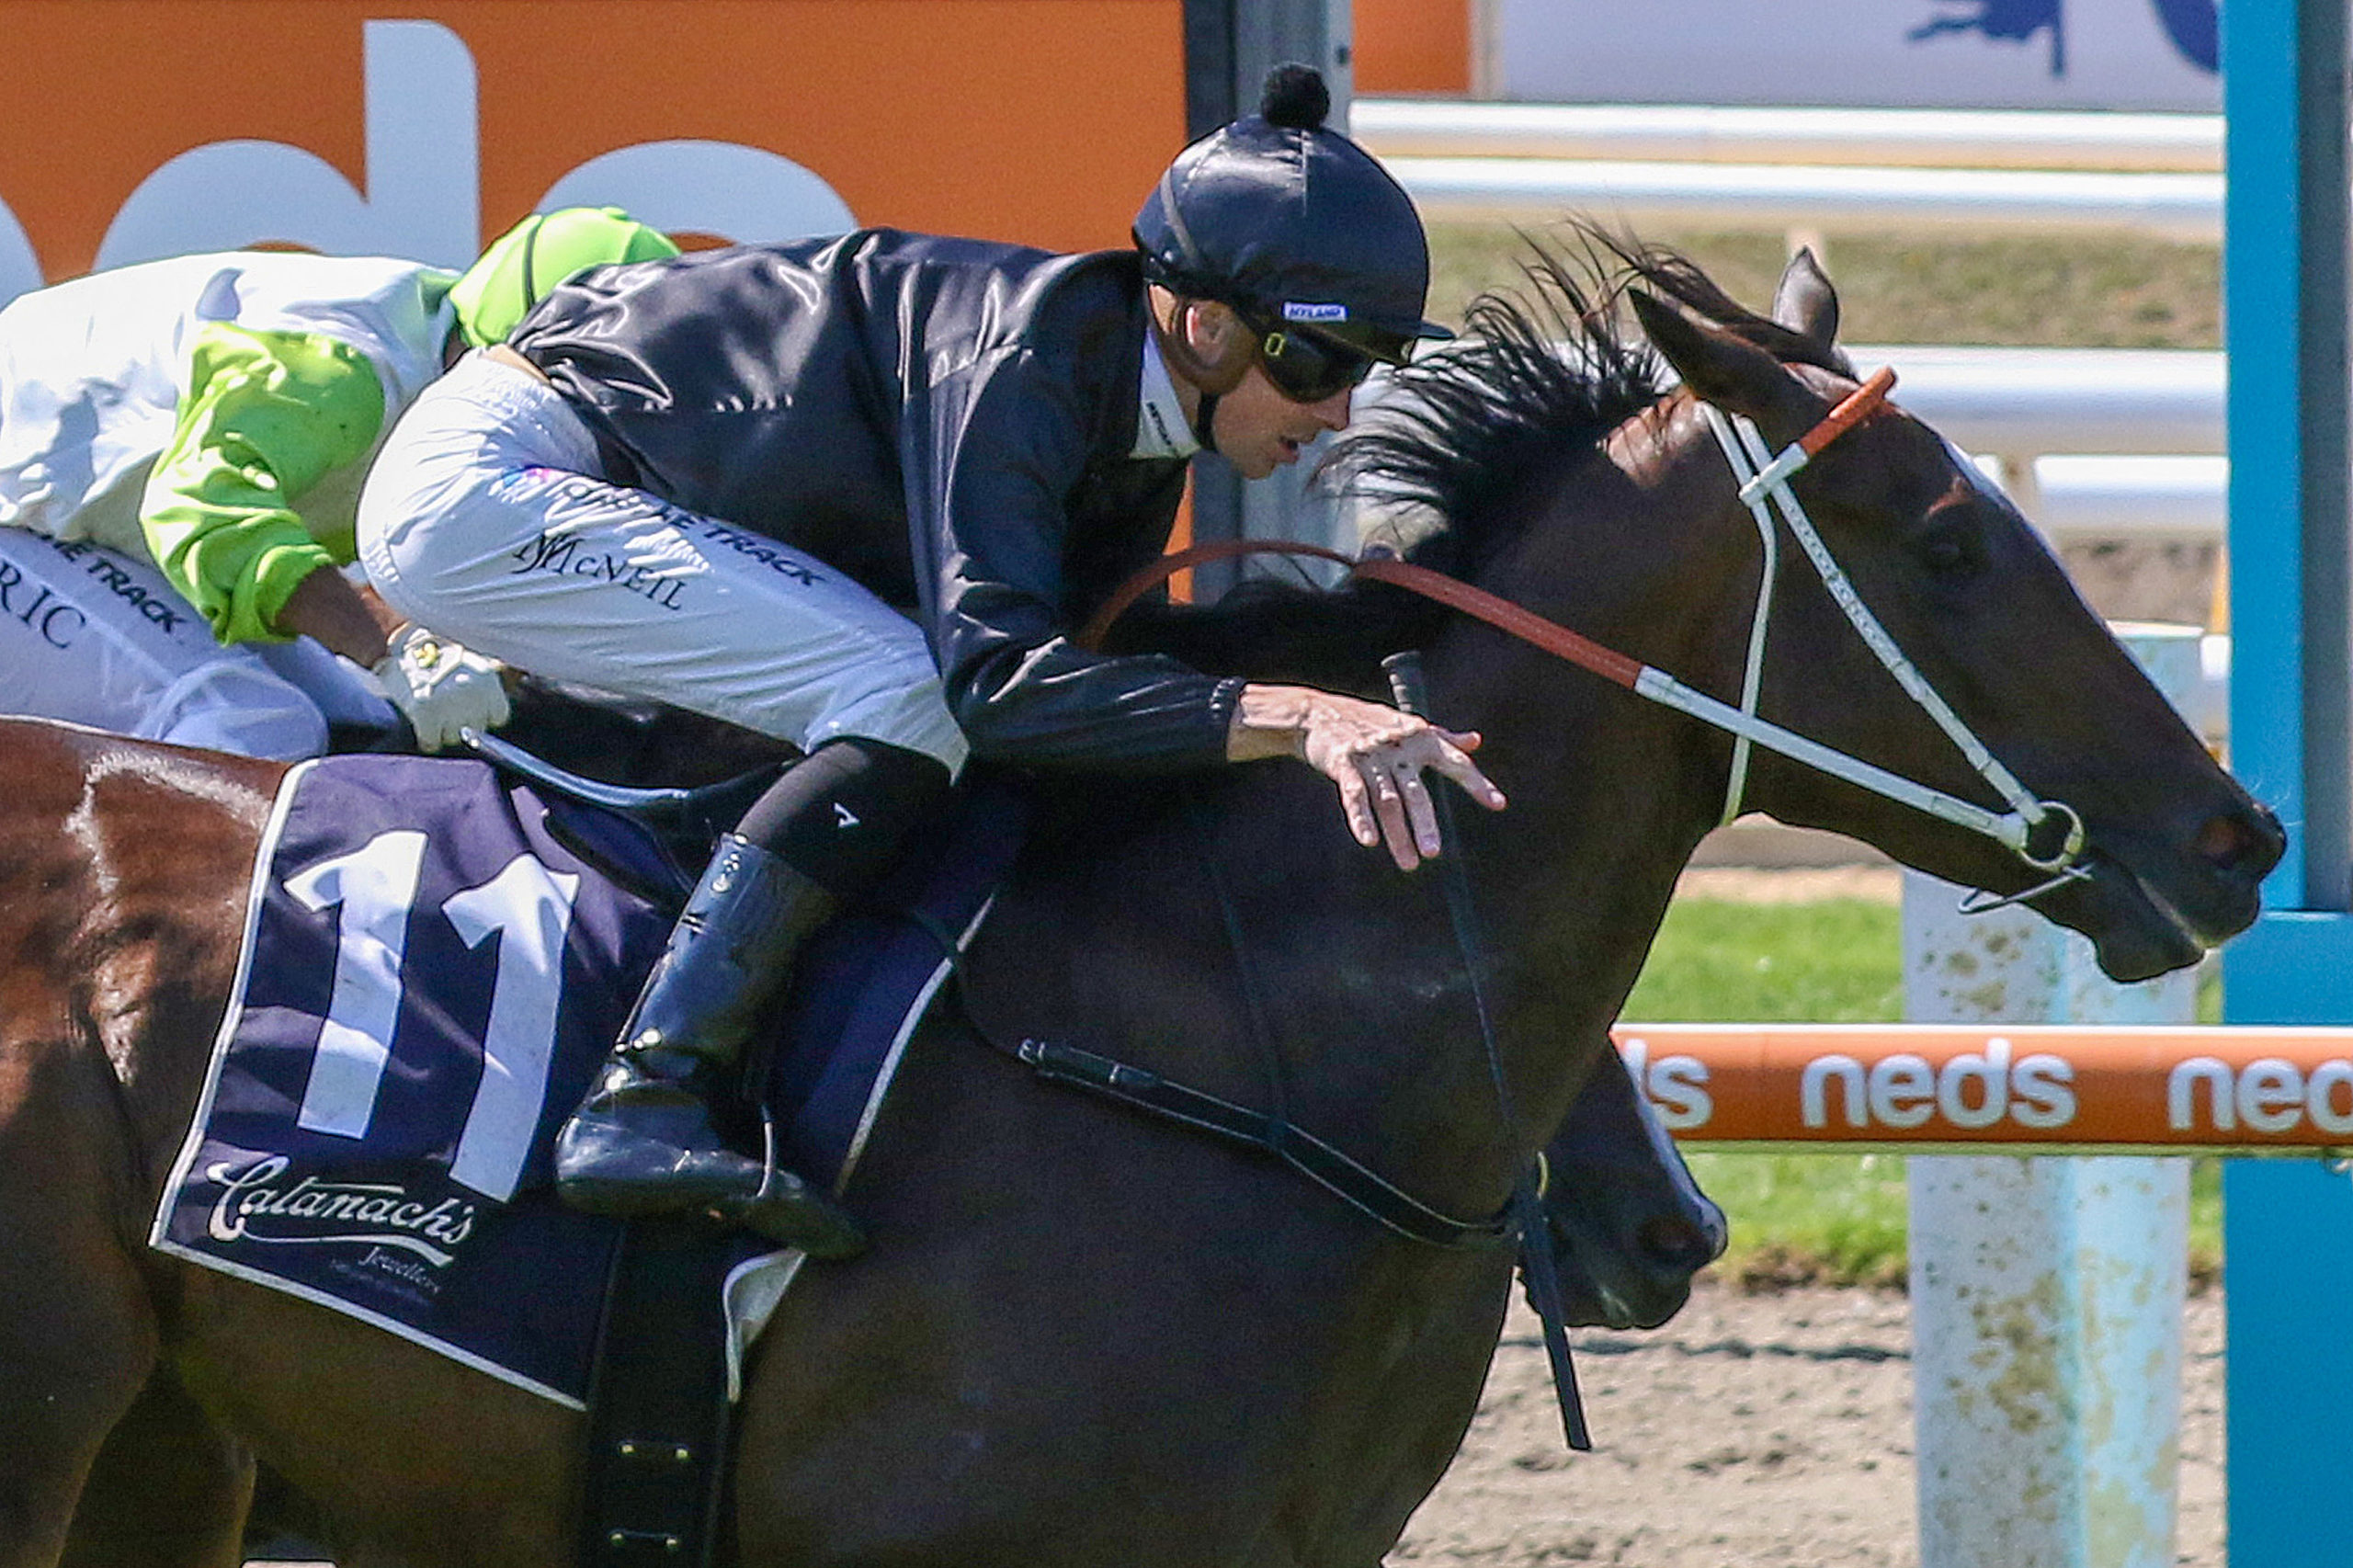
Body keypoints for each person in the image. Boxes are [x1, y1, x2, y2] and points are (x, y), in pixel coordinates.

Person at [354, 65, 1506, 1256]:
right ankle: (646, 1091)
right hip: (495, 486)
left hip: (578, 484)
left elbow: (1079, 698)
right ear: (1204, 325)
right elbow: (998, 688)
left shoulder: (1125, 415)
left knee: (917, 704)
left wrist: (1315, 679)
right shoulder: (1025, 364)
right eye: (1319, 364)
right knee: (907, 691)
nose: (1338, 411)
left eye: (1370, 369)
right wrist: (1299, 715)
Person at [0, 207, 680, 758]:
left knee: (360, 723)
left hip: (81, 531)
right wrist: (395, 646)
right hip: (29, 525)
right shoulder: (342, 372)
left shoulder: (434, 354)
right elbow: (202, 513)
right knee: (251, 725)